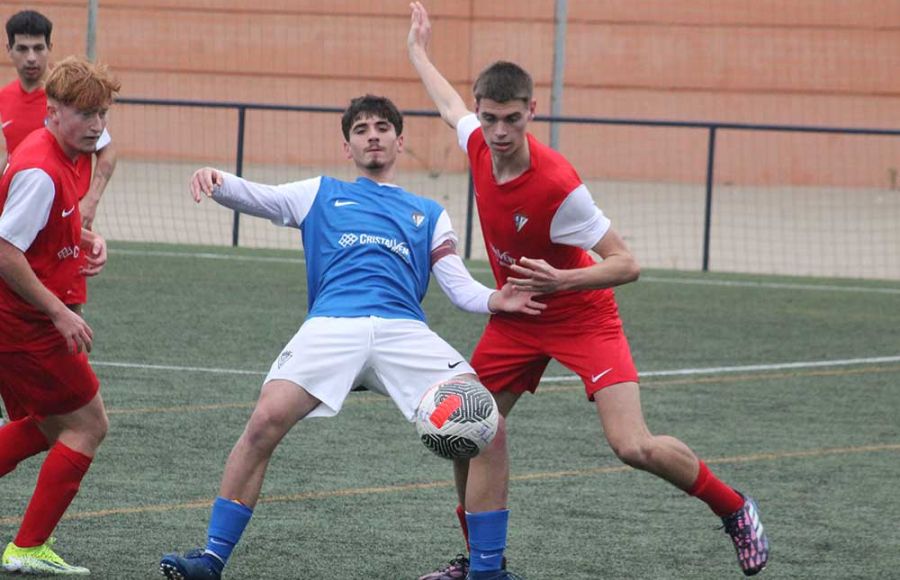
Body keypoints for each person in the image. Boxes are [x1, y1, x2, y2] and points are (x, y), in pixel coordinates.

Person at [407, 2, 770, 578]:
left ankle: (733, 509)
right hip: (520, 314)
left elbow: (627, 264)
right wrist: (418, 52)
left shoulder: (558, 186)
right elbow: (448, 103)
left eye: (512, 119)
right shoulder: (476, 141)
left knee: (632, 445)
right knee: (467, 429)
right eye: (490, 118)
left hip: (582, 312)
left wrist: (564, 279)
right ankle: (480, 563)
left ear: (532, 111)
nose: (500, 132)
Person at [159, 95, 540, 580]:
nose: (373, 135)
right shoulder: (319, 192)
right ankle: (210, 560)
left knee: (488, 426)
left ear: (400, 141)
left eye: (383, 127)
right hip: (332, 326)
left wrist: (495, 299)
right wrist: (219, 180)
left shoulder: (428, 211)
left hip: (404, 329)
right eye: (361, 129)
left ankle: (487, 572)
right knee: (264, 421)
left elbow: (457, 285)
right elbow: (263, 197)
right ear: (348, 146)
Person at [0, 55, 118, 576]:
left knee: (50, 425)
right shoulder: (43, 169)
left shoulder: (62, 154)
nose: (96, 126)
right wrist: (59, 314)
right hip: (26, 327)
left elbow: (40, 230)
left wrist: (85, 241)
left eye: (103, 114)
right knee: (89, 425)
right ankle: (26, 548)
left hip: (25, 322)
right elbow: (5, 250)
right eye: (85, 114)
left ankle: (27, 546)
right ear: (53, 111)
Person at [0, 9, 118, 427]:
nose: (32, 56)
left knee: (67, 359)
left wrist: (88, 210)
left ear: (50, 50)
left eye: (39, 48)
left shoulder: (78, 98)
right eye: (23, 48)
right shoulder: (8, 103)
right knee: (60, 414)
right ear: (9, 51)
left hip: (63, 236)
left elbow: (107, 151)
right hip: (24, 241)